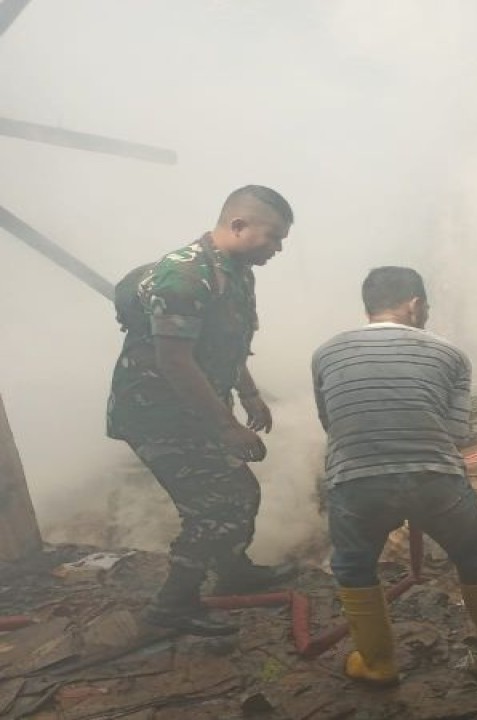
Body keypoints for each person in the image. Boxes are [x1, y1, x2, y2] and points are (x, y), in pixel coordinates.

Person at [312, 267, 477, 685]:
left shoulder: (326, 353)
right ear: (415, 305)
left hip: (356, 481)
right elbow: (453, 434)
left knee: (354, 565)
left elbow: (332, 423)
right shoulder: (450, 354)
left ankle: (378, 663)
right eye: (426, 307)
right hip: (435, 479)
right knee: (475, 549)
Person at [107, 186, 297, 636]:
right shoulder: (187, 277)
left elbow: (225, 345)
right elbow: (174, 360)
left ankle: (233, 573)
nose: (278, 248)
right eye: (272, 237)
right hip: (158, 414)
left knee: (240, 492)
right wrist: (228, 427)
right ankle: (172, 605)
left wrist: (248, 393)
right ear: (238, 225)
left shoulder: (237, 271)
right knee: (216, 507)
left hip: (196, 409)